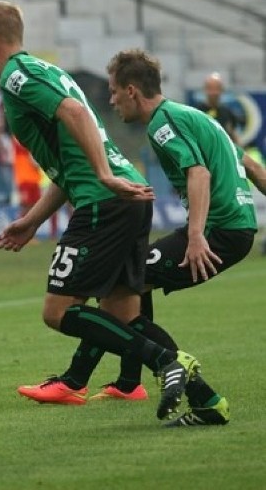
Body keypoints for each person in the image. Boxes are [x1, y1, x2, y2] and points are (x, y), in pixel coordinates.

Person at [0, 0, 207, 424]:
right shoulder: (49, 72)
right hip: (125, 198)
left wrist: (102, 174)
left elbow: (76, 113)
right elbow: (69, 158)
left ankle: (161, 364)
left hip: (106, 201)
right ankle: (203, 394)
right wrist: (32, 220)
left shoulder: (16, 75)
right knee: (123, 315)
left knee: (58, 312)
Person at [38, 49, 266, 427]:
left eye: (113, 92)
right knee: (131, 281)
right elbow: (255, 169)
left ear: (131, 90)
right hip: (234, 231)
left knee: (119, 288)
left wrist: (195, 237)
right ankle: (130, 382)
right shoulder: (191, 117)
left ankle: (162, 365)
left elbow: (199, 174)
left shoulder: (163, 123)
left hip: (217, 233)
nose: (111, 100)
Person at [196, 73, 240, 144]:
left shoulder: (227, 113)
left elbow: (234, 135)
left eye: (217, 88)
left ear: (222, 90)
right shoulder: (197, 112)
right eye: (210, 88)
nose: (214, 92)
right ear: (205, 89)